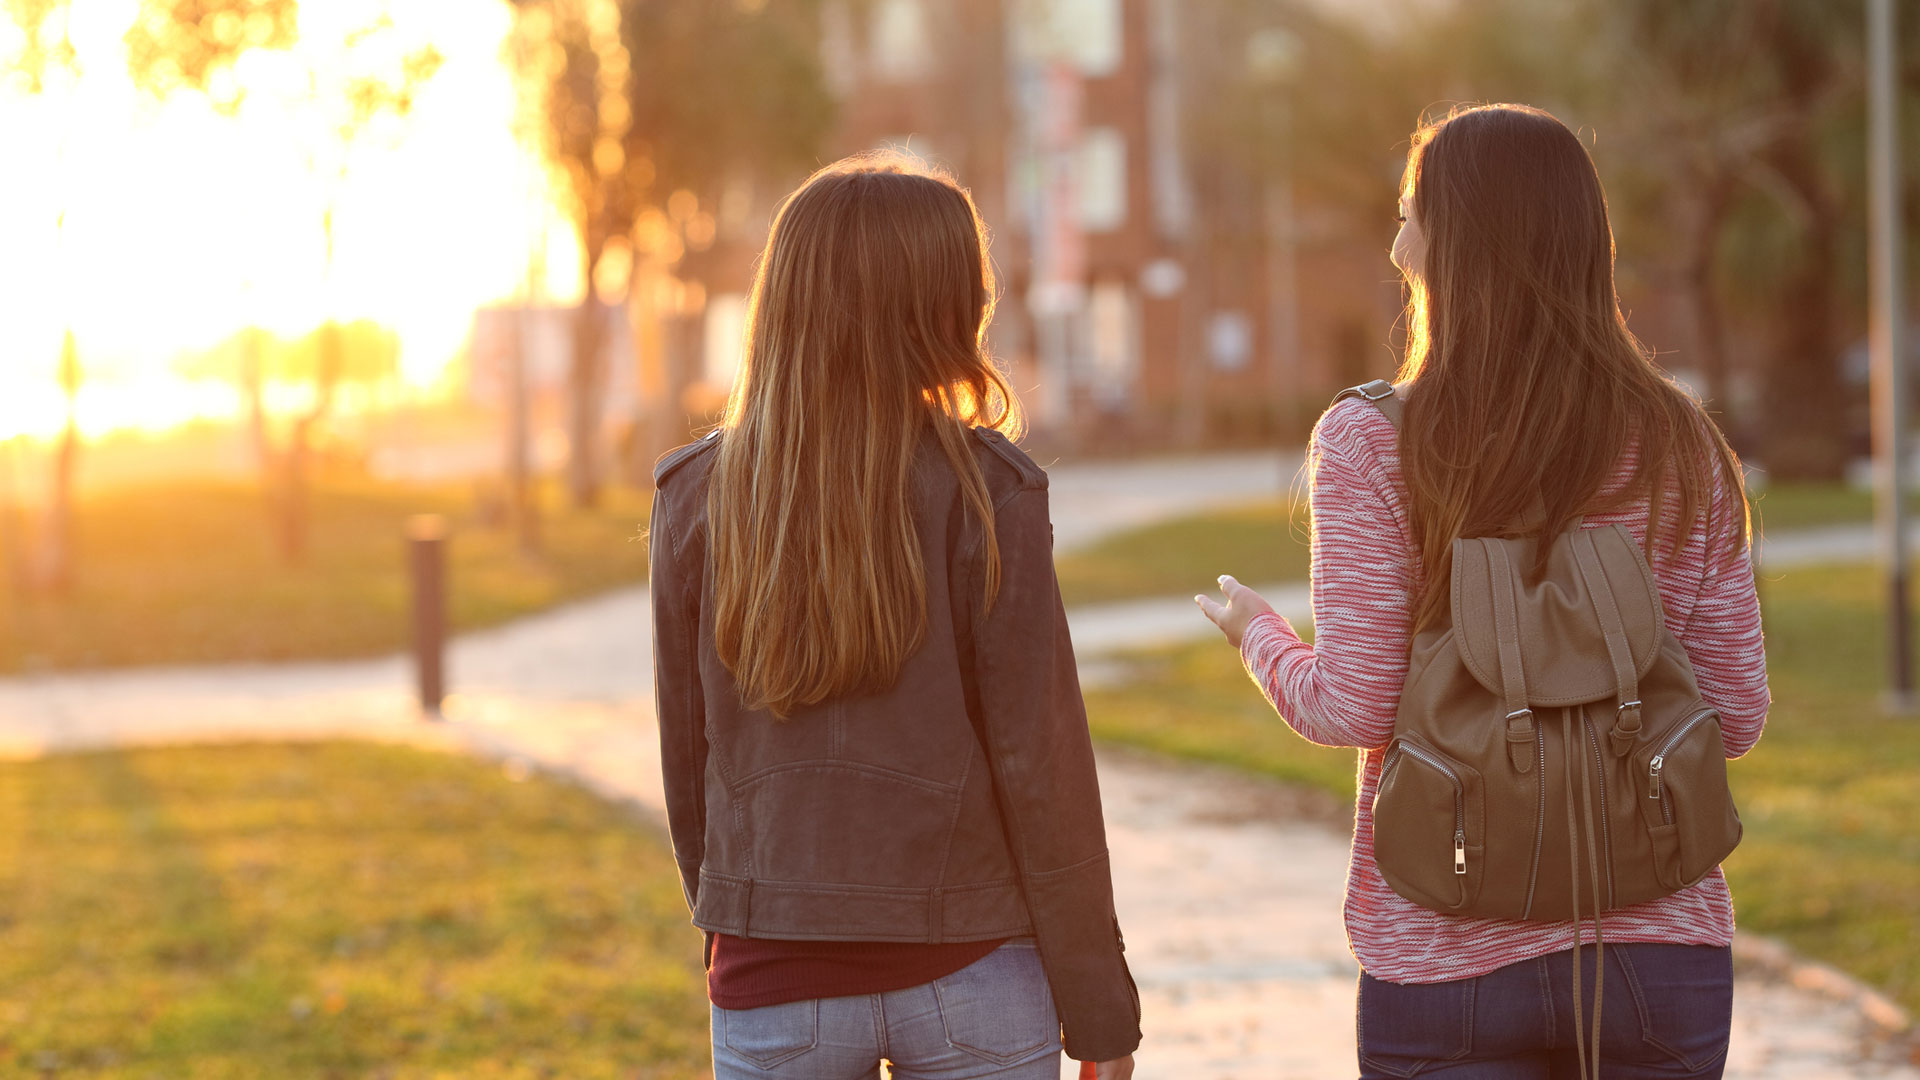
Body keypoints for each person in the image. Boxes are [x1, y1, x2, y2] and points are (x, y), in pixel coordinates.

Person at [1196, 104, 1768, 1079]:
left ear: (1448, 247)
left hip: (1443, 950)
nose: (1393, 244)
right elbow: (1737, 716)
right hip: (1658, 951)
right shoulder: (1681, 442)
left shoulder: (1373, 440)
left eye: (1410, 214)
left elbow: (1357, 705)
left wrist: (1259, 635)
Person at [649, 153, 1141, 1080]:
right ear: (939, 308)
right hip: (976, 977)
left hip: (773, 981)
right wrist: (1099, 1011)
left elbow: (689, 767)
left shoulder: (694, 495)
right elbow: (1045, 767)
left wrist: (749, 921)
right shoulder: (988, 490)